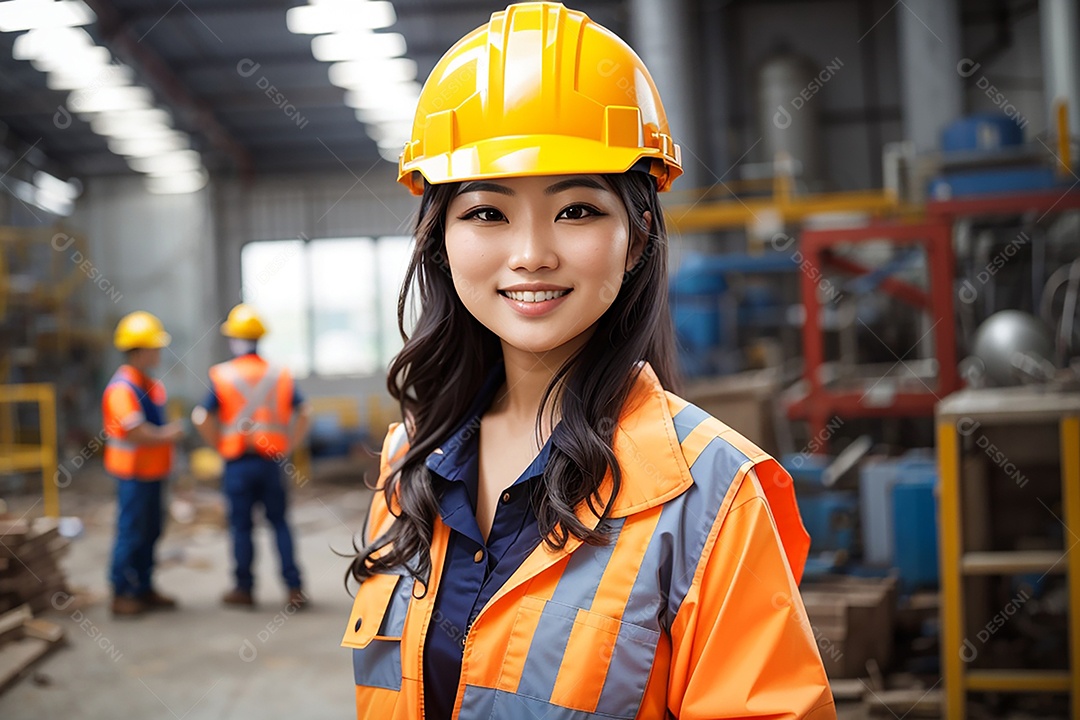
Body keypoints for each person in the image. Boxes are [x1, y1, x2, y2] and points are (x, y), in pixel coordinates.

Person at [343, 3, 836, 719]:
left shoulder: (712, 496)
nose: (531, 254)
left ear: (637, 239)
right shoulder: (410, 460)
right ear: (440, 241)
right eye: (486, 212)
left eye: (576, 210)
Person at [192, 304, 310, 609]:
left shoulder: (222, 374)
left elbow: (200, 417)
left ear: (234, 339)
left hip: (238, 462)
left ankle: (244, 589)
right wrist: (290, 444)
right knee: (279, 523)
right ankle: (294, 588)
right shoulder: (279, 374)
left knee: (241, 527)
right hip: (272, 461)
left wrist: (220, 445)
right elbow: (304, 412)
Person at [104, 311, 185, 617]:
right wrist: (169, 435)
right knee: (131, 532)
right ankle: (121, 592)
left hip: (152, 473)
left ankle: (143, 587)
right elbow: (134, 431)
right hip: (133, 474)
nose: (159, 353)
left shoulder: (147, 383)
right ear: (138, 351)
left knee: (151, 531)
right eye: (154, 347)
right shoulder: (123, 388)